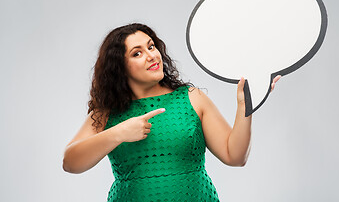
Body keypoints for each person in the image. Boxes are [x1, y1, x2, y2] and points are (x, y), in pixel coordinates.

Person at [62, 23, 281, 201]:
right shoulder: (108, 112)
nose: (151, 56)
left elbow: (235, 156)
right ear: (119, 67)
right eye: (137, 53)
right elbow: (70, 162)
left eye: (151, 46)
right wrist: (118, 133)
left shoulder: (192, 98)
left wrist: (245, 106)